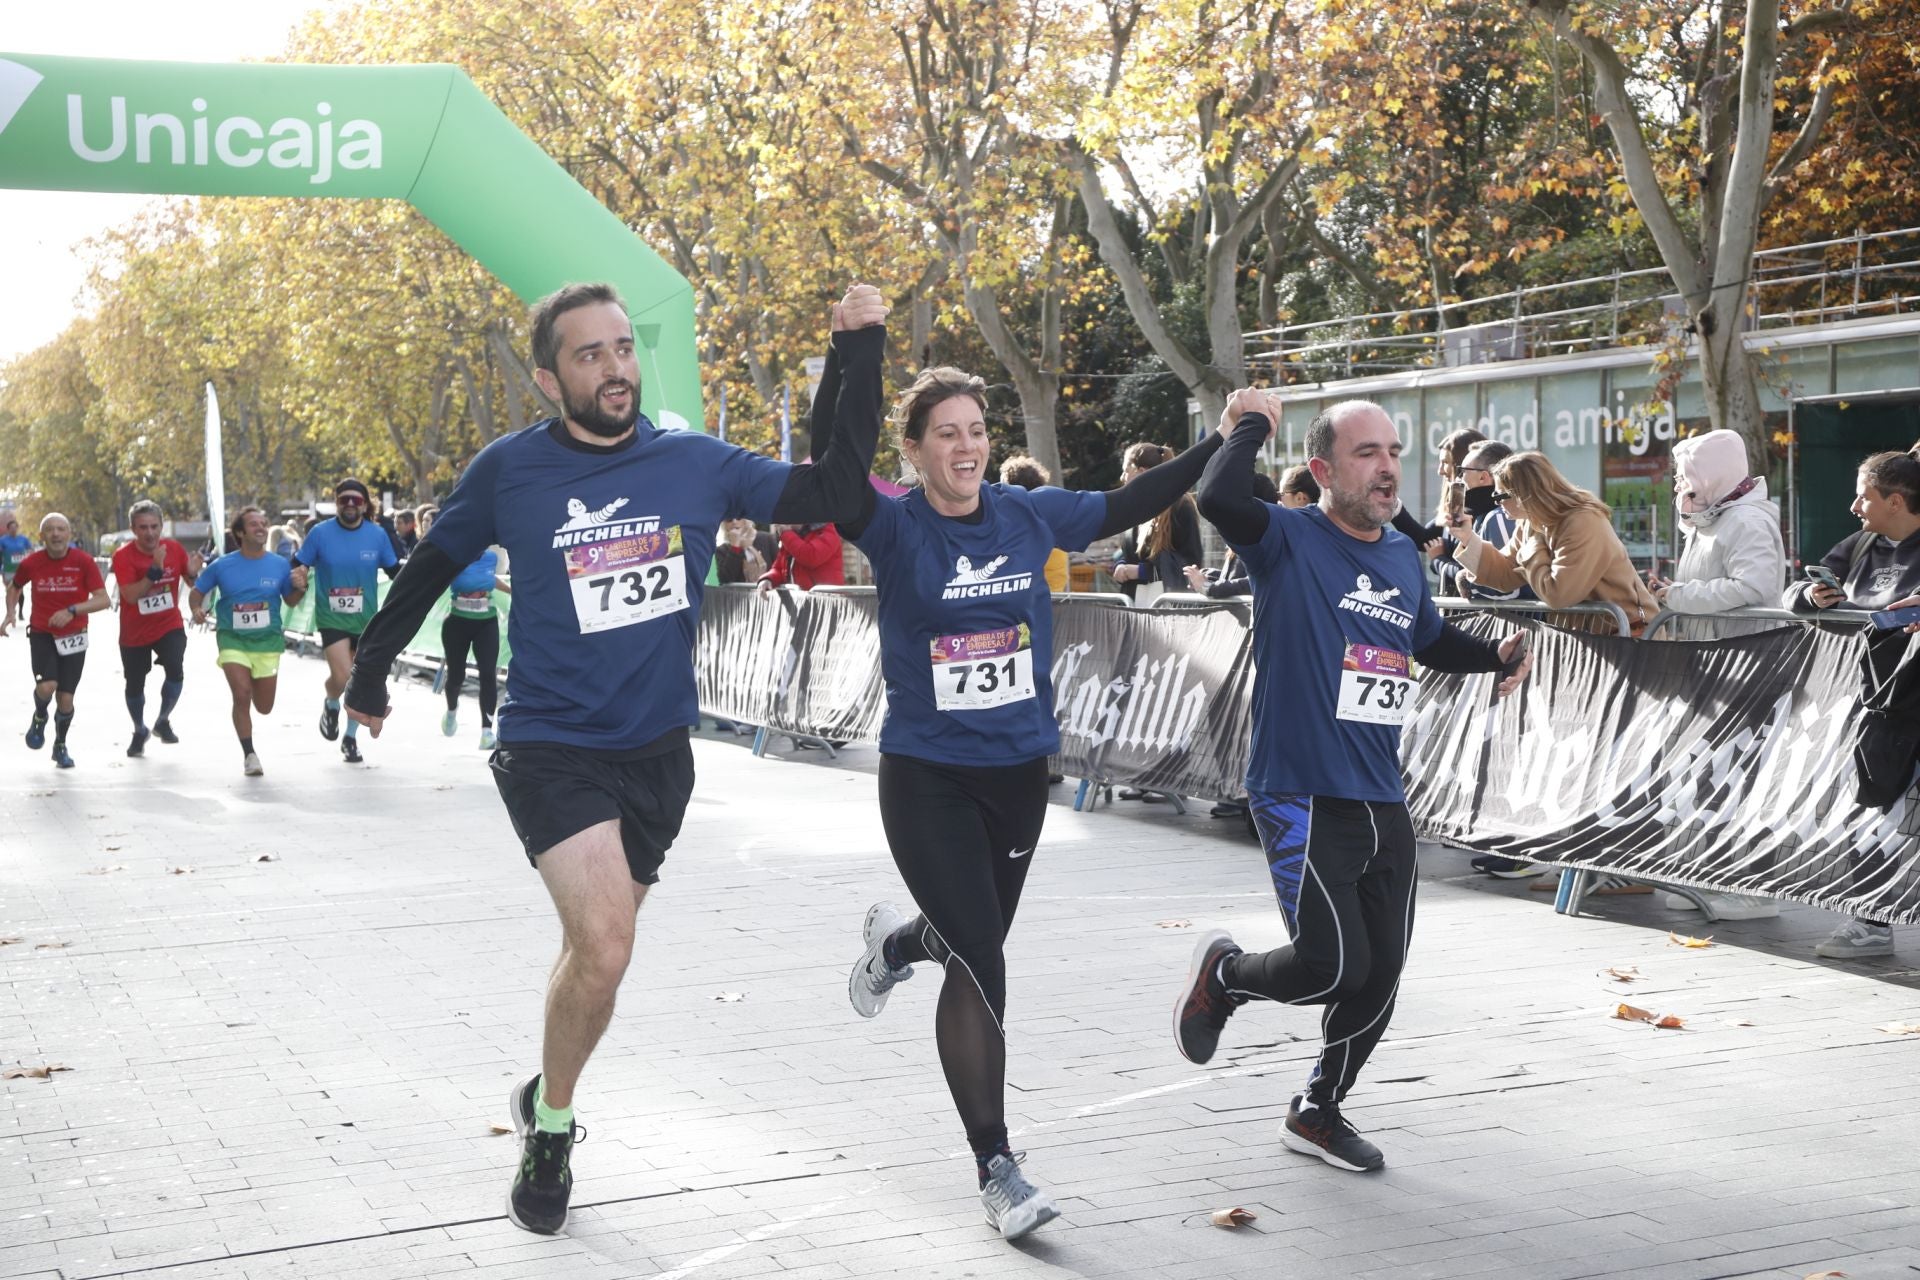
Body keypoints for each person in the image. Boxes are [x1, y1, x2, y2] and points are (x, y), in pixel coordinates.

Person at [341, 280, 887, 1236]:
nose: (615, 367)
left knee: (593, 962)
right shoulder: (510, 471)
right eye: (588, 354)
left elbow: (837, 496)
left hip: (658, 756)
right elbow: (431, 564)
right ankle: (552, 1129)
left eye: (623, 348)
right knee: (605, 945)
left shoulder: (694, 462)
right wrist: (372, 671)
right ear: (552, 377)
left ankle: (546, 1080)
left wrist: (856, 355)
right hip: (552, 744)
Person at [842, 372, 1233, 1242]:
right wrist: (853, 354)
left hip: (1019, 773)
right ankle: (997, 1166)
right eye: (945, 433)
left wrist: (1224, 436)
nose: (966, 447)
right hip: (927, 775)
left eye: (976, 430)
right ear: (912, 450)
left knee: (967, 935)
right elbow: (835, 471)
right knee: (982, 958)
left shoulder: (1029, 514)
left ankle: (898, 942)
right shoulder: (893, 522)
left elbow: (1136, 496)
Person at [1174, 397, 1530, 1173]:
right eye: (1367, 452)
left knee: (1383, 973)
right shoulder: (1286, 539)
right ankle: (1226, 976)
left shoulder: (1402, 556)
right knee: (1334, 965)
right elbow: (1220, 497)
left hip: (1379, 795)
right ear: (1323, 469)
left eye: (1394, 450)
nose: (1388, 466)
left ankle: (1317, 1109)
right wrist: (1252, 424)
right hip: (1299, 789)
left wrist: (1493, 656)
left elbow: (1427, 639)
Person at [1786, 447, 1920, 959]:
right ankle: (1869, 923)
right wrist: (1808, 596)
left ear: (1896, 500)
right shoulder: (1861, 543)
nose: (1853, 506)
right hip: (1878, 702)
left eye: (1863, 496)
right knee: (1874, 800)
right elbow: (1793, 590)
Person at [1448, 451, 1660, 635]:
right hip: (1593, 636)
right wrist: (1468, 538)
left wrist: (1532, 547)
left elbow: (1559, 594)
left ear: (1523, 494)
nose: (1496, 502)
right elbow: (1504, 573)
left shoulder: (1583, 521)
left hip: (1630, 635)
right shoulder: (1532, 522)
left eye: (1500, 494)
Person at [190, 508, 309, 776]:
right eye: (254, 524)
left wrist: (302, 587)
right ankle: (249, 754)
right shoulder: (222, 565)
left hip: (267, 642)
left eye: (264, 524)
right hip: (232, 639)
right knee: (241, 694)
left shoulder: (279, 564)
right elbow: (197, 593)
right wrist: (197, 609)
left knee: (264, 707)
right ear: (240, 533)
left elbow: (291, 600)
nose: (261, 528)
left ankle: (251, 724)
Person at [297, 479, 400, 764]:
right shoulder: (320, 533)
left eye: (356, 500)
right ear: (336, 503)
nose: (351, 505)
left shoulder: (377, 535)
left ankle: (351, 738)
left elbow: (395, 572)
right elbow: (298, 563)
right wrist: (300, 574)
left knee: (359, 680)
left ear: (365, 505)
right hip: (332, 618)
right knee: (343, 677)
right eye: (344, 500)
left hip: (366, 619)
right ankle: (331, 704)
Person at [2, 513, 112, 768]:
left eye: (61, 529)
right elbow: (15, 587)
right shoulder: (32, 562)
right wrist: (9, 612)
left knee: (65, 700)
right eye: (50, 530)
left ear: (69, 534)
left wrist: (72, 610)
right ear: (41, 536)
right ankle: (40, 715)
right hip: (43, 633)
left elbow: (103, 599)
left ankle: (60, 745)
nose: (55, 534)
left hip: (75, 636)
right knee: (47, 686)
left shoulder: (83, 562)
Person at [110, 500, 202, 757]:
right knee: (135, 684)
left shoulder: (173, 548)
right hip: (134, 631)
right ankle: (140, 729)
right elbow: (129, 596)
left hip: (168, 623)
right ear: (133, 529)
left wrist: (194, 574)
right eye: (143, 527)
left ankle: (163, 719)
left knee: (175, 667)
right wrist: (154, 571)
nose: (150, 533)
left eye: (154, 527)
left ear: (161, 526)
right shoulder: (123, 556)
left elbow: (190, 580)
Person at [1111, 442, 1203, 605]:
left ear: (1142, 472)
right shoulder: (1133, 507)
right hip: (1135, 603)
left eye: (1126, 471)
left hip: (1165, 606)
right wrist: (1121, 565)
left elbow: (1190, 563)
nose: (1122, 478)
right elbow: (1130, 553)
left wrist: (1142, 571)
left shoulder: (1181, 507)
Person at [440, 549, 511, 748]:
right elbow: (437, 579)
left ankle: (487, 732)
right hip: (457, 623)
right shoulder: (455, 556)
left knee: (488, 675)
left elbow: (490, 578)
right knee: (456, 676)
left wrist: (513, 591)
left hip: (486, 623)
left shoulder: (491, 558)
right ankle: (452, 711)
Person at [1185, 472, 1282, 599]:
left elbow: (1254, 582)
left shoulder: (1265, 536)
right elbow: (1238, 577)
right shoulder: (1246, 533)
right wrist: (1209, 576)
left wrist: (1208, 587)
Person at [998, 456, 1070, 592]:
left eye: (1001, 485)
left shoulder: (1019, 520)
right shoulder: (1052, 514)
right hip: (1058, 598)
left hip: (1033, 600)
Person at [756, 521, 845, 591]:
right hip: (800, 603)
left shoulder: (828, 530)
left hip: (825, 602)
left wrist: (786, 534)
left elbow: (811, 557)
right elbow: (779, 568)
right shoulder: (791, 535)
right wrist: (768, 579)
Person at [713, 519, 776, 585]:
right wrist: (735, 547)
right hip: (737, 594)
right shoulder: (722, 550)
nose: (734, 522)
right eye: (729, 519)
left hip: (767, 592)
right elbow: (725, 579)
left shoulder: (767, 539)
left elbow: (779, 570)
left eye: (739, 517)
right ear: (724, 525)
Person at [0, 510, 32, 619]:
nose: (14, 529)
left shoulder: (23, 539)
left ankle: (20, 612)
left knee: (20, 591)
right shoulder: (3, 540)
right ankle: (10, 612)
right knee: (10, 591)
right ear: (8, 529)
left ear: (17, 528)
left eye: (15, 527)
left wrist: (28, 558)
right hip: (8, 570)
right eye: (11, 527)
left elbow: (30, 550)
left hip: (20, 569)